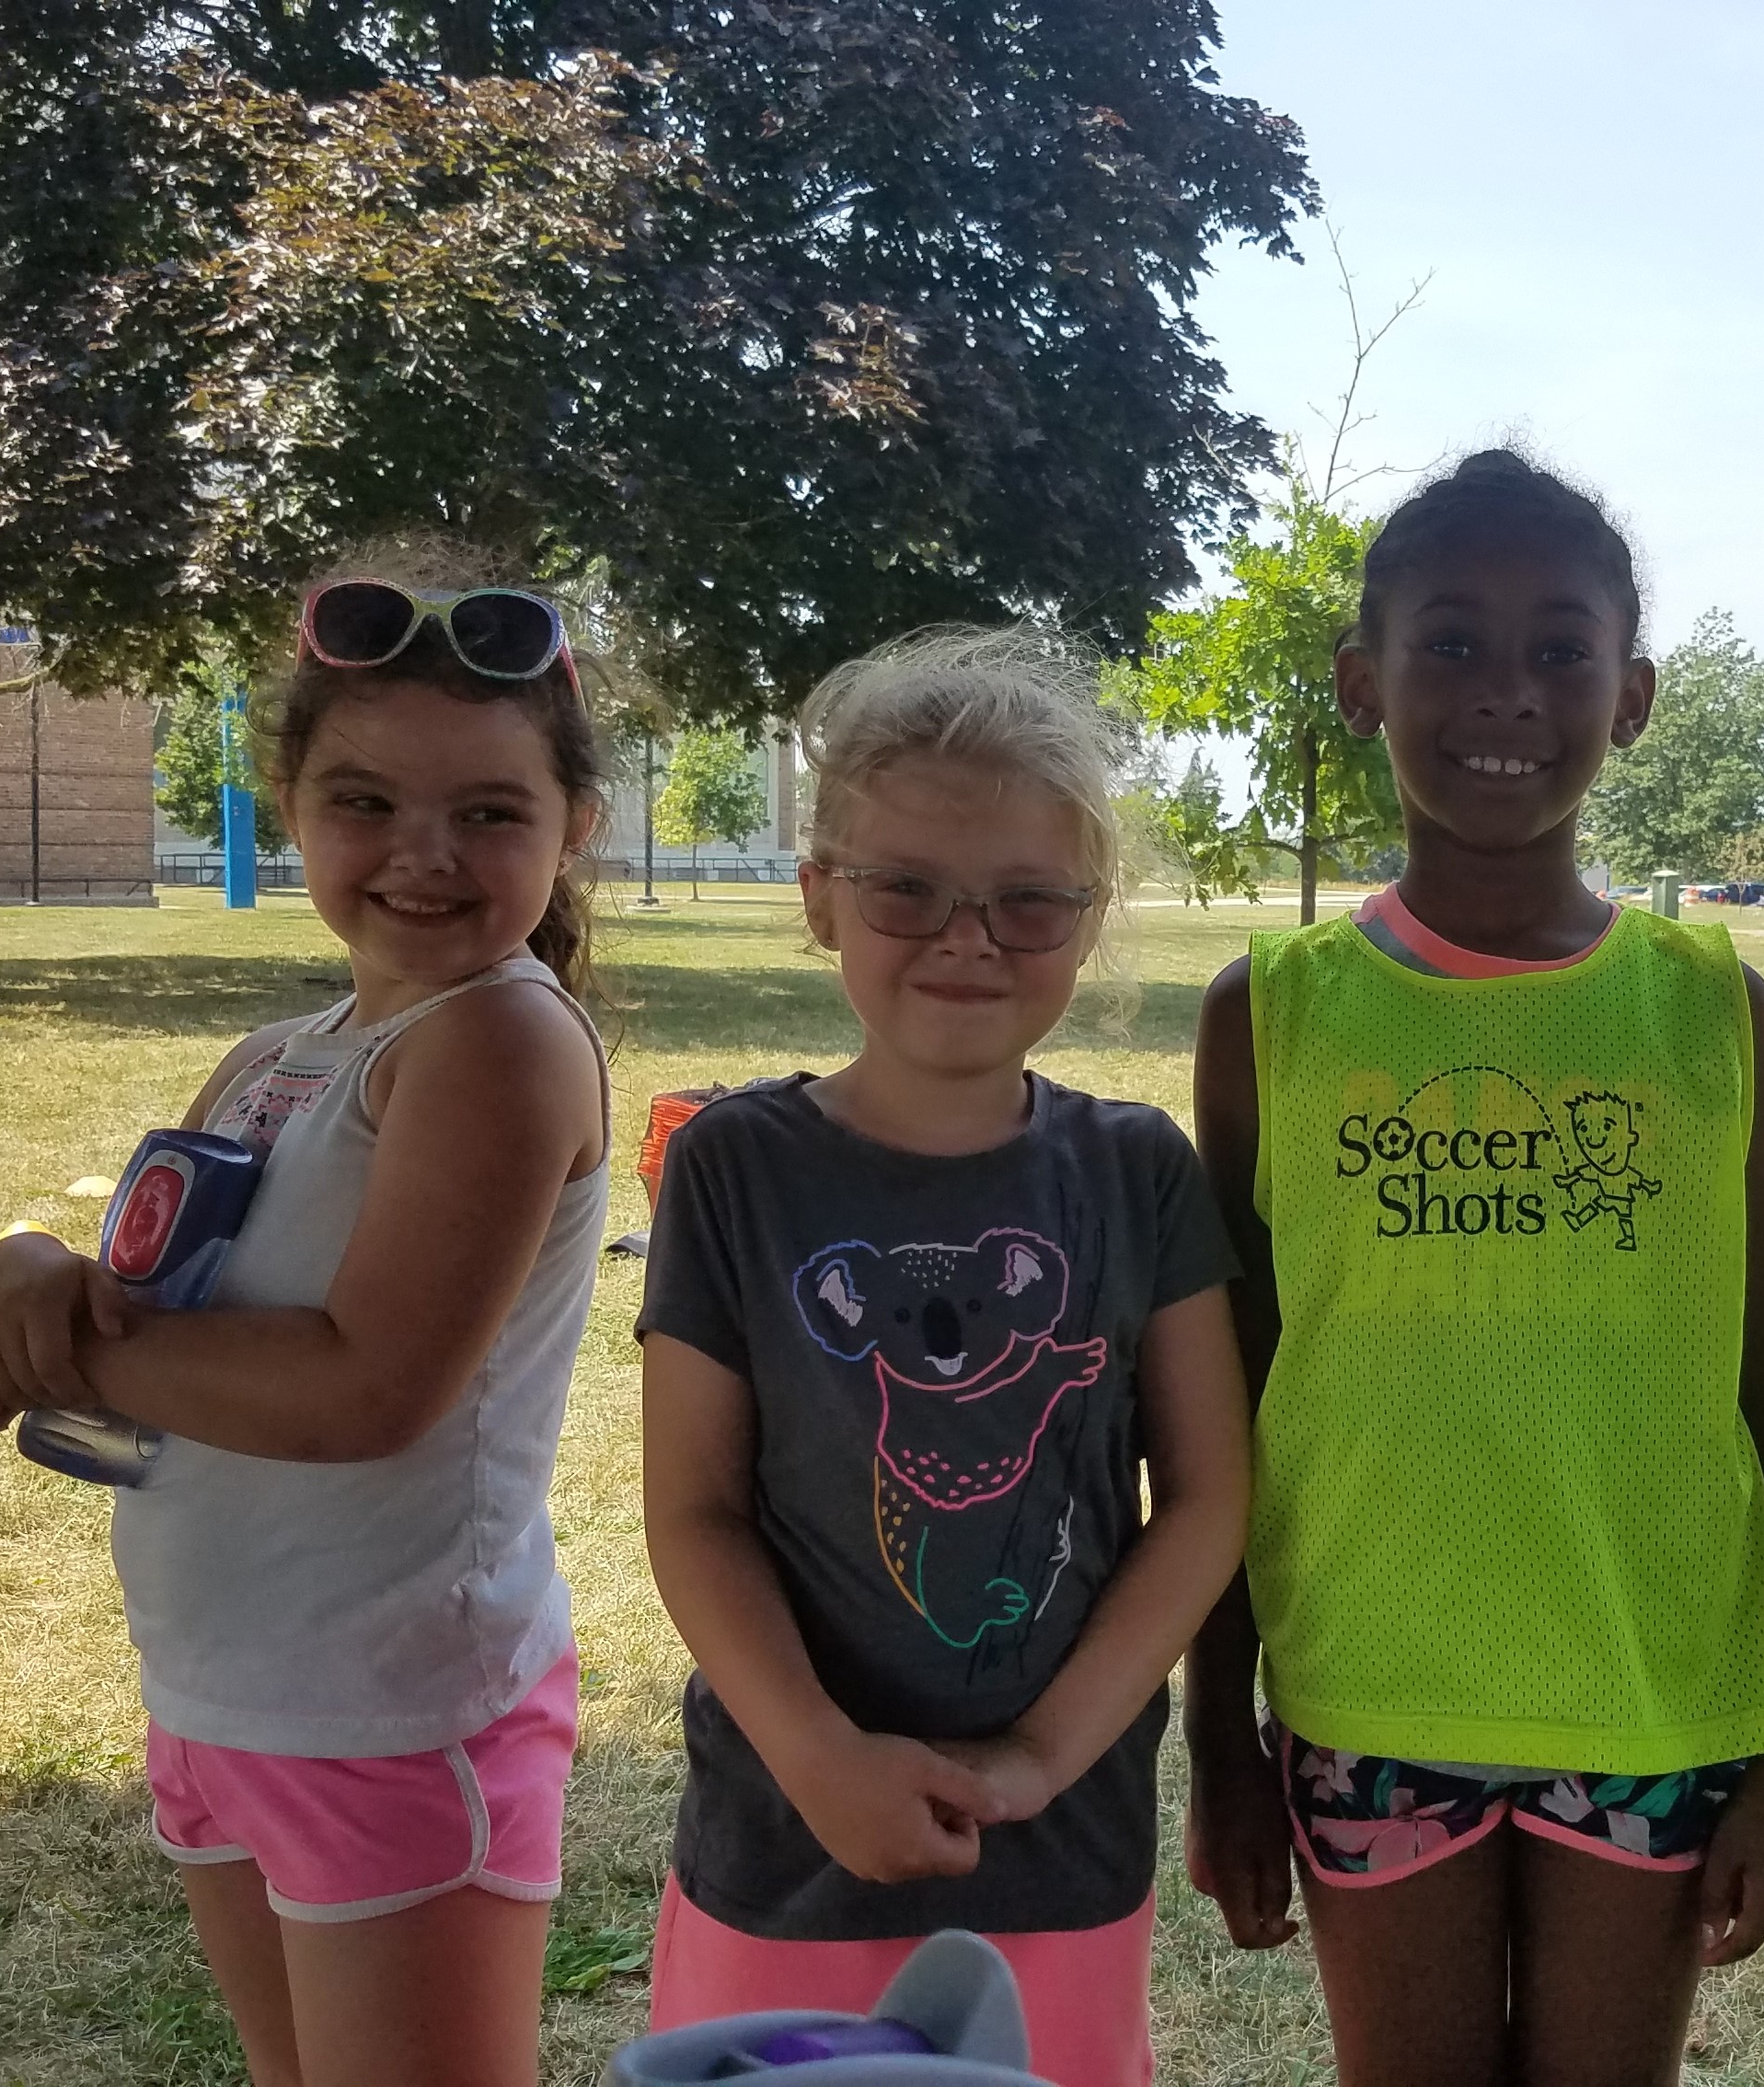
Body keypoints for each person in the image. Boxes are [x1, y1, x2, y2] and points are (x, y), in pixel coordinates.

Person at [1183, 449, 1764, 2086]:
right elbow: (1221, 1404)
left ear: (1632, 697)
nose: (1507, 691)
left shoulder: (1709, 1009)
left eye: (1560, 648)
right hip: (1367, 1691)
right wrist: (1218, 1739)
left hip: (1648, 1689)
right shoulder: (1270, 1014)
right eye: (1453, 642)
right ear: (1363, 684)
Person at [0, 563, 614, 2087]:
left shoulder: (498, 1037)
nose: (424, 853)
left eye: (491, 811)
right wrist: (30, 1281)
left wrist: (35, 1321)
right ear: (287, 799)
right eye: (364, 800)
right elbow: (145, 1324)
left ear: (575, 827)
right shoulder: (272, 1058)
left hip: (392, 1709)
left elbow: (370, 1388)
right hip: (225, 1688)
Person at [633, 628, 1253, 2087]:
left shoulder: (1140, 1173)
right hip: (782, 1842)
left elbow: (1208, 1500)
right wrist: (817, 1758)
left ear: (1089, 923)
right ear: (819, 900)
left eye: (1028, 901)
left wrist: (1037, 1760)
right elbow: (695, 1512)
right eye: (906, 889)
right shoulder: (734, 1167)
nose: (968, 940)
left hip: (1061, 1849)